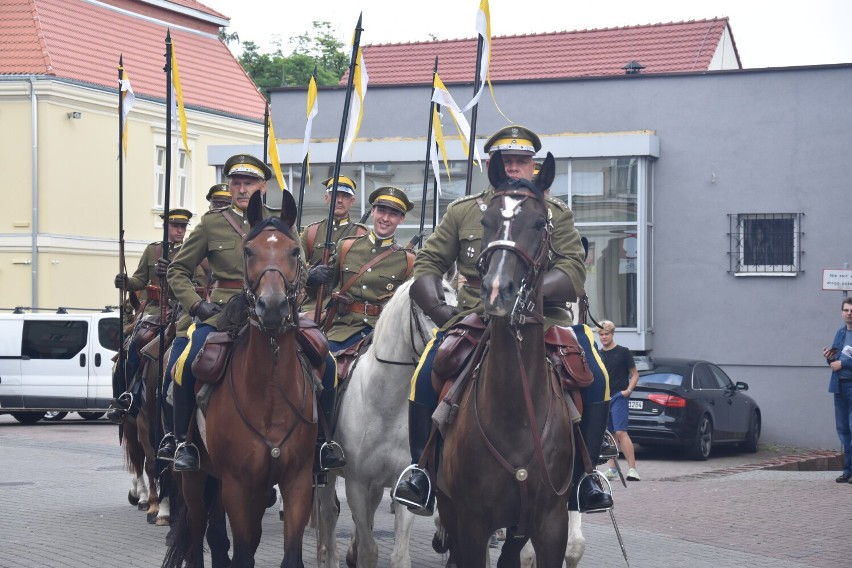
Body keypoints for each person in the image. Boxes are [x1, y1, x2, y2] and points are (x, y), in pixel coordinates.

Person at [394, 125, 612, 515]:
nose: (514, 167)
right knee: (426, 370)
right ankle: (421, 472)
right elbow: (429, 263)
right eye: (506, 161)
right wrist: (442, 314)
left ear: (534, 167)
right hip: (477, 317)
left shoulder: (554, 212)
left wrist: (528, 296)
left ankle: (586, 477)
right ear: (492, 167)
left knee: (597, 374)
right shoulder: (464, 211)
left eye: (522, 161)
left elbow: (573, 270)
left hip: (543, 320)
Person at [165, 154, 344, 474]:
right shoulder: (211, 223)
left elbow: (298, 271)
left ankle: (322, 444)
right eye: (236, 182)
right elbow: (178, 270)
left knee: (326, 361)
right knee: (184, 363)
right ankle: (184, 442)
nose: (242, 188)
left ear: (263, 186)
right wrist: (196, 305)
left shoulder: (280, 222)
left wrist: (297, 289)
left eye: (249, 183)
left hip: (275, 313)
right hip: (221, 313)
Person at [107, 208, 194, 424]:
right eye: (175, 226)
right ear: (165, 227)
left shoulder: (193, 251)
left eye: (183, 226)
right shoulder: (152, 251)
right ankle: (127, 396)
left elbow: (199, 284)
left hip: (182, 307)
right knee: (132, 344)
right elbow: (139, 280)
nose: (180, 231)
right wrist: (125, 282)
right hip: (156, 309)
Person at [318, 186, 415, 351]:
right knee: (322, 364)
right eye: (381, 211)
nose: (385, 218)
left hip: (383, 333)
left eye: (393, 214)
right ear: (372, 212)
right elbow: (322, 292)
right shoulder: (346, 246)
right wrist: (314, 279)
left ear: (401, 219)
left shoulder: (408, 261)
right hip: (343, 329)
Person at [300, 175, 368, 317]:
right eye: (335, 195)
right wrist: (310, 275)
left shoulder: (362, 234)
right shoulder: (312, 231)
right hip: (312, 304)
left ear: (352, 201)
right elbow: (293, 266)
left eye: (345, 196)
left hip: (346, 308)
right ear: (326, 198)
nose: (339, 200)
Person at [597, 320, 641, 482]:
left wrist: (628, 391)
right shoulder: (599, 354)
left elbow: (635, 374)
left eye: (606, 334)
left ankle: (632, 469)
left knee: (621, 432)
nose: (603, 337)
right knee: (609, 434)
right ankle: (613, 469)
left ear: (612, 334)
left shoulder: (623, 352)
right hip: (604, 397)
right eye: (601, 334)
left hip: (619, 396)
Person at [824, 297, 852, 483]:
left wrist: (842, 363)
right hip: (838, 386)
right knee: (842, 429)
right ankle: (848, 470)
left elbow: (841, 362)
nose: (849, 313)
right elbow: (834, 357)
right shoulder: (840, 333)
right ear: (842, 312)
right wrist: (828, 357)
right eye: (846, 310)